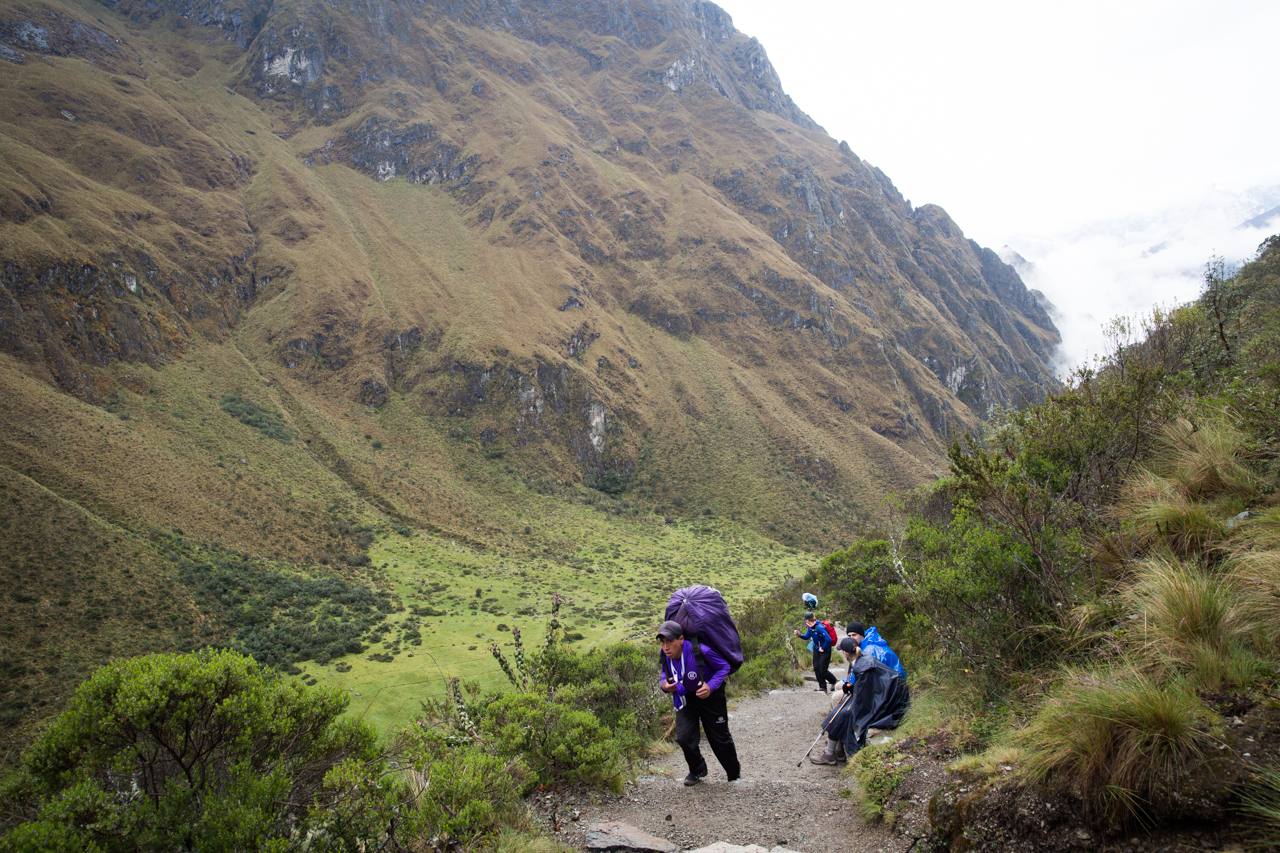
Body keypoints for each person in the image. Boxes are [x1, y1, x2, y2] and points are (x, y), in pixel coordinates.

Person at [656, 620, 741, 785]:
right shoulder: (663, 654)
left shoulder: (701, 650)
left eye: (670, 642)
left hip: (711, 698)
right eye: (662, 642)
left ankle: (734, 775)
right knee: (684, 737)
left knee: (720, 739)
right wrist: (664, 685)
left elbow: (723, 667)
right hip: (685, 698)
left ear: (681, 639)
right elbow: (664, 672)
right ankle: (697, 770)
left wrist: (710, 686)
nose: (666, 647)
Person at [811, 638, 910, 764]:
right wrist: (852, 688)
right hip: (888, 699)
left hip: (886, 705)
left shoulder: (862, 668)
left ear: (845, 653)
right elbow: (868, 688)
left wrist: (852, 690)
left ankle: (830, 754)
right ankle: (837, 751)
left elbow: (864, 696)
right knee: (841, 710)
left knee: (839, 715)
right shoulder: (865, 659)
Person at [794, 612, 838, 693]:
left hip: (825, 650)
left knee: (823, 670)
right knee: (816, 668)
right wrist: (799, 634)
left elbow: (828, 639)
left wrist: (823, 648)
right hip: (817, 649)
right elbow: (807, 637)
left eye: (806, 620)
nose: (805, 621)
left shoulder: (820, 627)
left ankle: (834, 681)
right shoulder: (810, 627)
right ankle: (822, 687)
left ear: (808, 619)